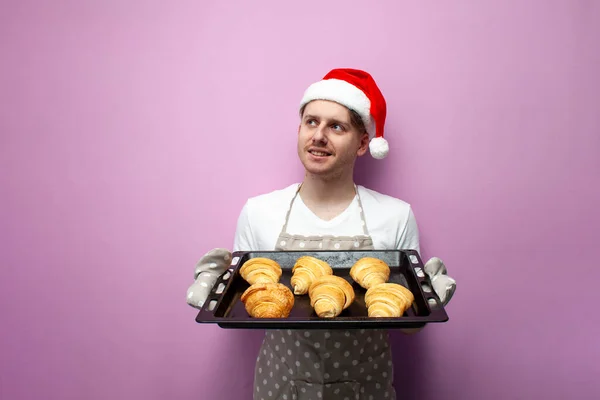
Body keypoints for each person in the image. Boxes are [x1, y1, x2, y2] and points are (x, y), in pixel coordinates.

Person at [187, 68, 456, 400]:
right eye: (311, 122)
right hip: (280, 387)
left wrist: (429, 298)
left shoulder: (395, 215)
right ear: (299, 130)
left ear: (361, 144)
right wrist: (212, 287)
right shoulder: (259, 212)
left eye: (336, 126)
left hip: (364, 390)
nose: (318, 136)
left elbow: (410, 325)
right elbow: (243, 305)